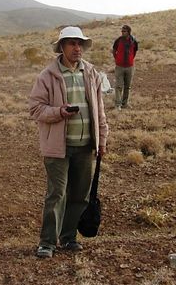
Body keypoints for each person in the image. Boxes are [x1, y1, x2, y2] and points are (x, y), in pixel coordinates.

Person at [29, 26, 108, 258]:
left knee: (80, 195)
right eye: (72, 43)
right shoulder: (47, 76)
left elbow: (100, 111)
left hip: (85, 146)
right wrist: (59, 112)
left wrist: (102, 140)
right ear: (61, 47)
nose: (77, 48)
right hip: (57, 148)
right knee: (56, 194)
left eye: (79, 43)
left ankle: (68, 238)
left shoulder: (92, 73)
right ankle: (47, 242)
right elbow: (35, 109)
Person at [112, 24, 139, 110]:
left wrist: (130, 60)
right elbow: (114, 50)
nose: (122, 33)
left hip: (130, 67)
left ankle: (125, 103)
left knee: (127, 86)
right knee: (119, 86)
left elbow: (134, 52)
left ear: (129, 32)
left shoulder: (133, 41)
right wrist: (117, 59)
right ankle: (117, 105)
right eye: (122, 31)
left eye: (124, 31)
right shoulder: (118, 40)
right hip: (119, 66)